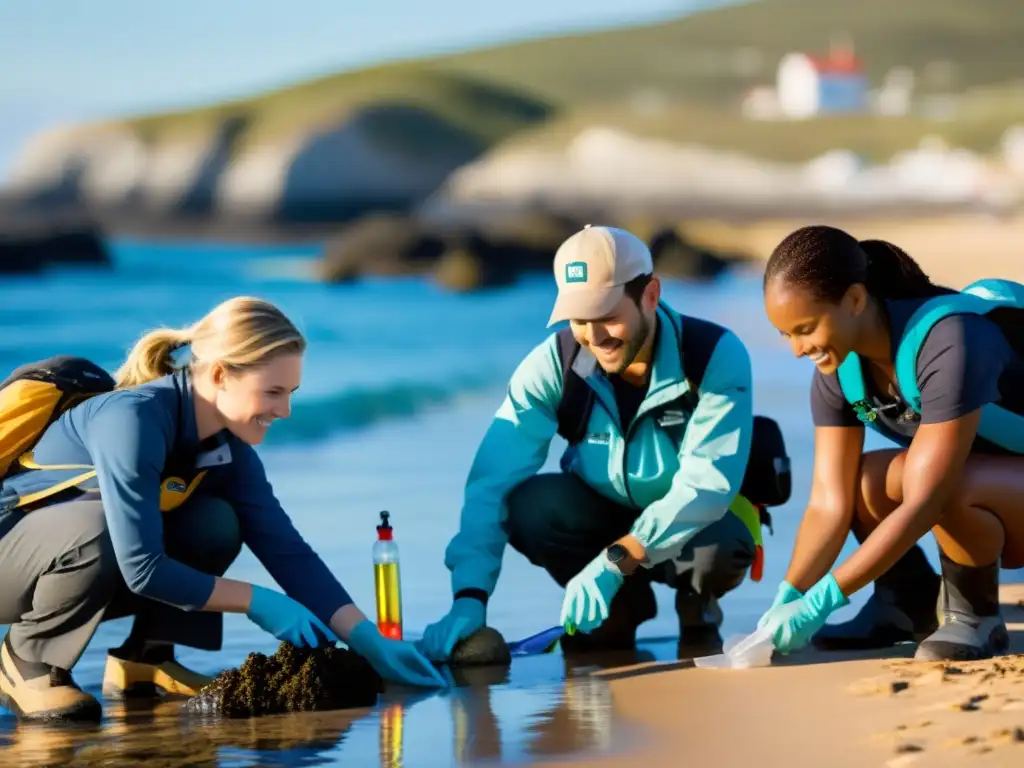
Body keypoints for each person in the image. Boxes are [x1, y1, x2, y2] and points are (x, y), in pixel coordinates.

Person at [0, 296, 446, 723]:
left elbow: (287, 551)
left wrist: (369, 641)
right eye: (272, 392)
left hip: (66, 563)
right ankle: (26, 659)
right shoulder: (132, 420)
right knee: (97, 525)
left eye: (291, 392)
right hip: (13, 558)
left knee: (215, 523)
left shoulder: (226, 450)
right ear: (218, 375)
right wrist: (258, 602)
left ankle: (147, 658)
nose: (286, 410)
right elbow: (142, 569)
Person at [421, 225, 766, 661]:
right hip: (598, 509)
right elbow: (491, 484)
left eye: (607, 315)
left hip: (698, 524)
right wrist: (469, 597)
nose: (595, 334)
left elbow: (706, 486)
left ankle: (696, 609)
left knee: (718, 550)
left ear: (651, 295)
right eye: (579, 319)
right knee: (527, 505)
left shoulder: (713, 353)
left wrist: (616, 561)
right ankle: (620, 609)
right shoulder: (553, 363)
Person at [756, 224, 1024, 661]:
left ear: (856, 300)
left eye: (806, 328)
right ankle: (904, 605)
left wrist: (825, 599)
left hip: (986, 492)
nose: (797, 350)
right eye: (787, 335)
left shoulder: (950, 339)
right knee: (864, 481)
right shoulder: (839, 372)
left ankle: (975, 617)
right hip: (1002, 485)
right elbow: (829, 503)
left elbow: (927, 501)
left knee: (945, 481)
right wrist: (790, 595)